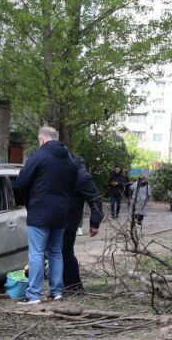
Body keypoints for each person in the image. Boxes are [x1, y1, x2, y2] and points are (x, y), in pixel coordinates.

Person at [14, 125, 77, 304]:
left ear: (42, 139)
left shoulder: (39, 156)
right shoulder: (69, 159)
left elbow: (22, 182)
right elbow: (73, 185)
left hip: (40, 212)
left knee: (37, 253)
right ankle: (57, 291)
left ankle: (33, 294)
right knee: (56, 252)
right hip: (60, 213)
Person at [61, 154, 104, 295]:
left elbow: (95, 199)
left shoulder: (82, 177)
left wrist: (94, 223)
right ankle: (72, 286)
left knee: (64, 252)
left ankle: (72, 286)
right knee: (64, 252)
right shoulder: (64, 171)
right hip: (60, 218)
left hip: (69, 220)